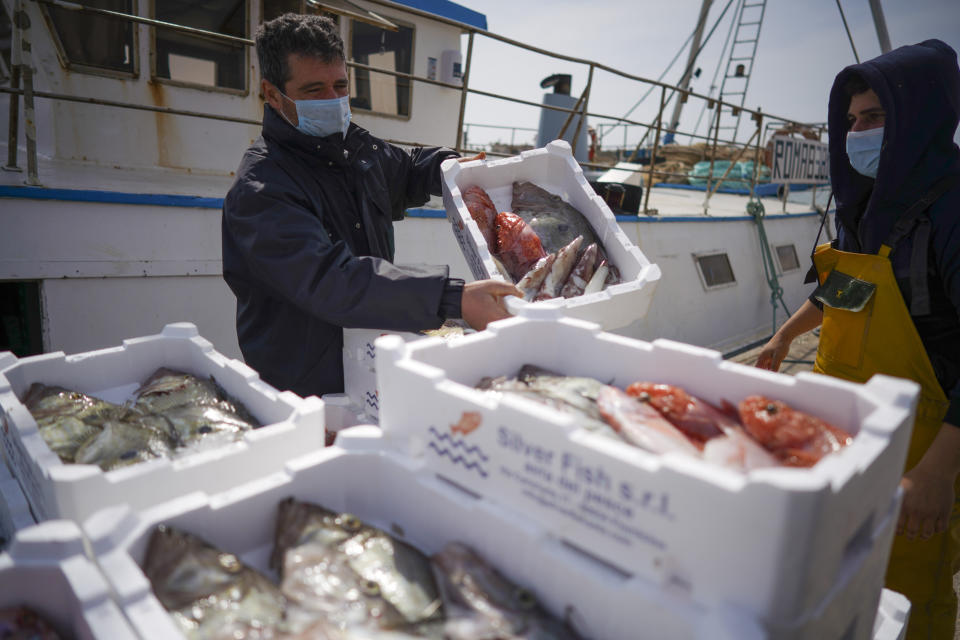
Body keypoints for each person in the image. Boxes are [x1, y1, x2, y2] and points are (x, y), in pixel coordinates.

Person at [756, 40, 960, 639]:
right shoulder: (868, 204)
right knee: (833, 577)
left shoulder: (951, 210)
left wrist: (937, 473)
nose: (857, 133)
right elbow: (844, 290)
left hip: (924, 446)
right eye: (850, 121)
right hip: (844, 430)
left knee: (905, 596)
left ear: (918, 116)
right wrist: (782, 337)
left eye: (874, 118)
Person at [222, 13, 519, 398]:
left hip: (368, 369)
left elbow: (409, 169)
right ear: (272, 93)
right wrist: (452, 298)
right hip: (304, 390)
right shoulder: (261, 189)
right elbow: (330, 281)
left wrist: (451, 168)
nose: (333, 100)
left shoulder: (355, 149)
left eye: (340, 85)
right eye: (314, 90)